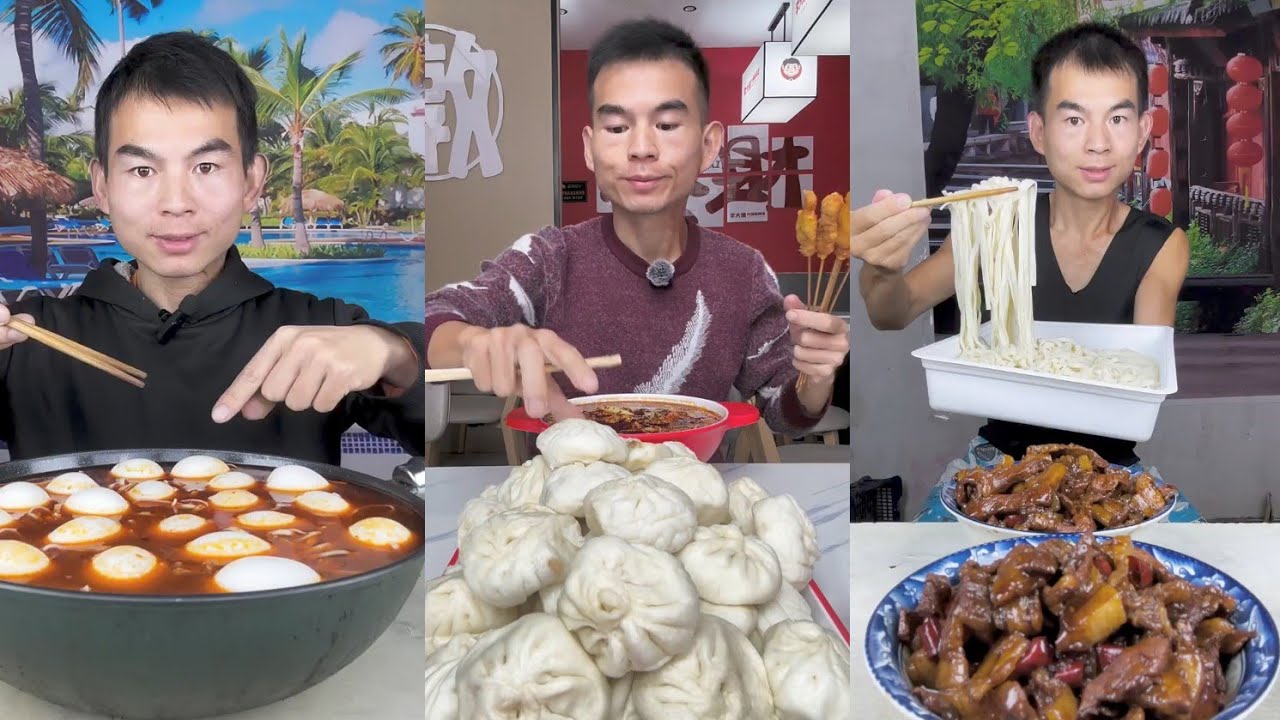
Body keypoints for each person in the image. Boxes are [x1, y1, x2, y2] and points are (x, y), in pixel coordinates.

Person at [0, 32, 426, 464]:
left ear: (252, 181)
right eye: (143, 170)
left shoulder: (320, 328)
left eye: (206, 166)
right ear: (102, 185)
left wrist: (394, 354)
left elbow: (440, 429)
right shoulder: (26, 338)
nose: (176, 203)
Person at [424, 19, 849, 436]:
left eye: (666, 125)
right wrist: (474, 342)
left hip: (694, 496)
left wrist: (816, 375)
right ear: (590, 148)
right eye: (617, 127)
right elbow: (436, 319)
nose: (641, 148)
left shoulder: (745, 272)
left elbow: (785, 415)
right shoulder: (550, 257)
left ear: (708, 146)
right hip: (568, 496)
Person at [851, 23, 1192, 511]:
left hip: (1108, 468)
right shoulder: (995, 226)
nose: (1097, 143)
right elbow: (892, 311)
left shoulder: (1162, 245)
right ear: (1039, 132)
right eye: (1074, 120)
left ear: (1141, 132)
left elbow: (1139, 376)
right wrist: (880, 267)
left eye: (1117, 119)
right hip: (999, 463)